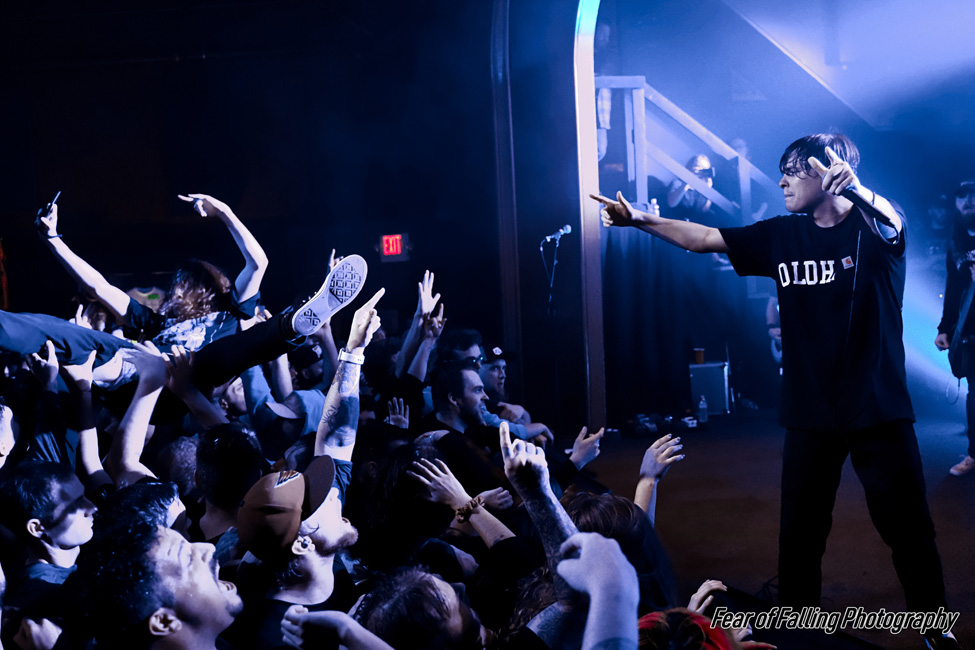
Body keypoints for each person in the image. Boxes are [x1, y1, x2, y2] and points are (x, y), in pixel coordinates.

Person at [593, 133, 954, 644]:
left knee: (909, 532)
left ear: (831, 173)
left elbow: (894, 223)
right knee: (800, 539)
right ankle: (798, 635)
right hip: (809, 412)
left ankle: (935, 630)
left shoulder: (873, 229)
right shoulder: (783, 234)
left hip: (878, 408)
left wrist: (860, 191)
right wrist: (640, 221)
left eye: (793, 169)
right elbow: (702, 238)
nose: (781, 179)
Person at [935, 180, 975, 476]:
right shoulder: (955, 244)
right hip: (969, 333)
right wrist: (945, 328)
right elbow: (952, 289)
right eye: (962, 196)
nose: (968, 201)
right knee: (974, 395)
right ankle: (974, 454)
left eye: (974, 195)